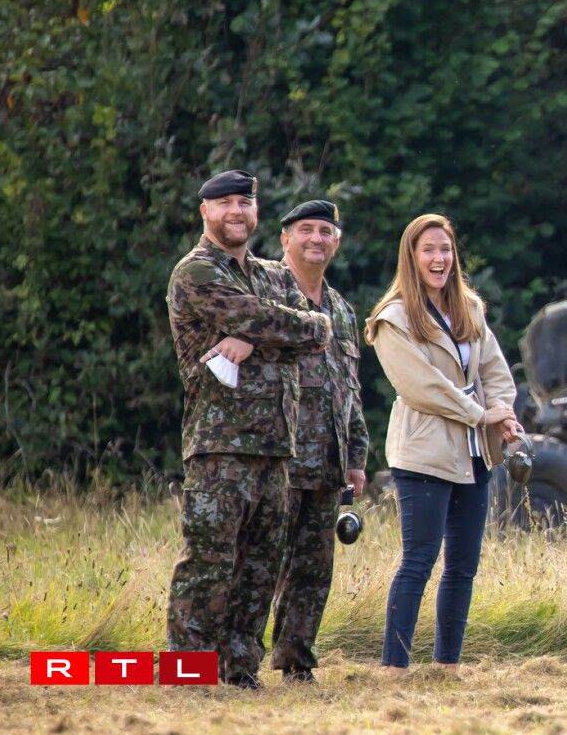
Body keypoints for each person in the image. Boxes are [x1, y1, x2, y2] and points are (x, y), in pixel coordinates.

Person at [165, 169, 331, 689]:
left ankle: (239, 671)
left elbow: (318, 327)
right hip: (219, 446)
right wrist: (271, 330)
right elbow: (280, 322)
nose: (236, 211)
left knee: (259, 569)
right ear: (205, 213)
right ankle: (189, 674)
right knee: (209, 564)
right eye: (225, 203)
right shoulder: (195, 272)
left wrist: (252, 337)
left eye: (245, 202)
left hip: (276, 447)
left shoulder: (274, 275)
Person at [365, 213, 522, 672]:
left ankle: (446, 667)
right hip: (424, 455)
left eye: (446, 250)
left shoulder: (469, 309)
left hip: (475, 455)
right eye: (429, 250)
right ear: (411, 257)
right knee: (418, 561)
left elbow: (494, 370)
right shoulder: (392, 320)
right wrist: (479, 413)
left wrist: (504, 415)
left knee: (463, 566)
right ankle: (395, 668)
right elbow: (423, 387)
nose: (439, 259)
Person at [262, 199, 371, 684]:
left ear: (337, 242)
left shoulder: (343, 311)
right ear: (285, 238)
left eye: (325, 231)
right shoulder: (265, 293)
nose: (316, 239)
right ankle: (236, 664)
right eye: (305, 230)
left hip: (326, 462)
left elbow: (351, 388)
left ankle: (296, 663)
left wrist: (356, 455)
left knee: (312, 571)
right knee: (259, 565)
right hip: (274, 455)